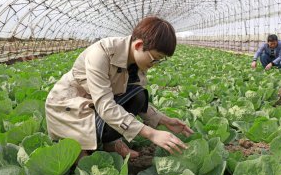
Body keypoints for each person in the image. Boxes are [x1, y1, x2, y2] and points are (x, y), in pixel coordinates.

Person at [45, 16, 193, 159]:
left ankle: (110, 143)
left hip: (94, 103)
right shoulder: (101, 54)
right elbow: (105, 106)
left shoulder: (137, 63)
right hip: (69, 109)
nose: (154, 64)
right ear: (138, 45)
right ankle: (79, 147)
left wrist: (163, 120)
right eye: (155, 58)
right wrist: (151, 133)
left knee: (139, 96)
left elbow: (133, 99)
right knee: (83, 163)